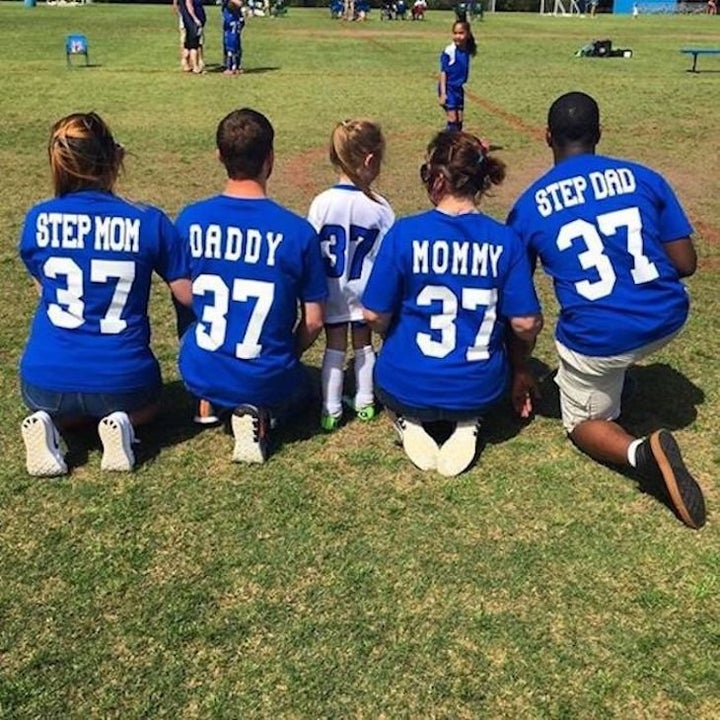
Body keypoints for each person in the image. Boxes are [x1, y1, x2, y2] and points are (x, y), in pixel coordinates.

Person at [507, 91, 707, 529]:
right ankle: (620, 377)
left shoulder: (527, 206)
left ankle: (641, 455)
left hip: (600, 340)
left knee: (580, 420)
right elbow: (686, 265)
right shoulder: (646, 177)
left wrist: (518, 366)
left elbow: (519, 306)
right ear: (599, 134)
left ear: (547, 137)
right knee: (617, 349)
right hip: (667, 316)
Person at [18, 112, 192, 477]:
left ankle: (50, 423)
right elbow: (186, 293)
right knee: (150, 406)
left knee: (62, 404)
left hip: (44, 378)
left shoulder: (38, 219)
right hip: (123, 378)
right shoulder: (148, 220)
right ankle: (120, 423)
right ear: (114, 158)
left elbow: (44, 293)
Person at [362, 131, 543, 477]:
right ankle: (467, 421)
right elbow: (526, 324)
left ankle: (409, 420)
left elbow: (373, 314)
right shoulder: (505, 240)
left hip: (407, 380)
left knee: (395, 369)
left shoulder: (404, 233)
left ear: (439, 179)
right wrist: (519, 365)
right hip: (480, 386)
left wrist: (392, 328)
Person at [175, 108, 327, 464]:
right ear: (270, 158)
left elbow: (182, 295)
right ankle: (263, 418)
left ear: (219, 156)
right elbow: (315, 320)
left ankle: (206, 400)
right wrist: (288, 352)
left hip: (201, 364)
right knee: (303, 389)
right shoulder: (297, 232)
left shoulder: (190, 219)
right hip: (266, 374)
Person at [307, 119, 395, 432]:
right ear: (370, 160)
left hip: (331, 289)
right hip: (365, 291)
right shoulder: (380, 207)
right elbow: (389, 255)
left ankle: (330, 409)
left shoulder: (321, 203)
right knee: (364, 345)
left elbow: (311, 247)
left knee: (334, 348)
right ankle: (366, 401)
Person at [438, 20, 477, 133]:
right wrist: (443, 93)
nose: (457, 36)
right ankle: (446, 145)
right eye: (455, 33)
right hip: (448, 88)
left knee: (459, 119)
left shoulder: (467, 49)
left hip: (458, 89)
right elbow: (443, 73)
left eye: (461, 33)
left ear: (468, 34)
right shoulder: (449, 51)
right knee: (453, 119)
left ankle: (456, 145)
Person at [222, 0, 246, 75]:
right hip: (234, 27)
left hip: (232, 31)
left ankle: (231, 67)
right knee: (235, 47)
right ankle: (235, 67)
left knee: (231, 49)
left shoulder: (232, 15)